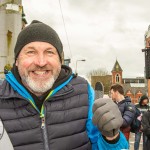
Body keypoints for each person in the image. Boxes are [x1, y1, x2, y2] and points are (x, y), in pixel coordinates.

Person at [0, 20, 128, 150]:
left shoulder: (84, 92)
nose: (41, 62)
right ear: (17, 60)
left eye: (49, 52)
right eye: (30, 52)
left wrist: (112, 138)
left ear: (60, 61)